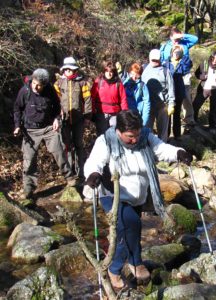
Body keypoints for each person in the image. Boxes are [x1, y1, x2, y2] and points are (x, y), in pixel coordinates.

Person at [84, 109, 193, 289]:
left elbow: (161, 149)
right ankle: (115, 268)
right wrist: (93, 174)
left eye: (137, 135)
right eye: (129, 137)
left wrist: (178, 153)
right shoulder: (106, 140)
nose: (134, 140)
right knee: (130, 226)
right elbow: (94, 161)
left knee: (131, 228)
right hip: (113, 195)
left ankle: (135, 262)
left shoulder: (145, 137)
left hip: (137, 195)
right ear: (118, 131)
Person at [13, 68, 74, 200]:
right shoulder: (25, 91)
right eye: (34, 83)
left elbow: (57, 107)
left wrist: (56, 119)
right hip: (30, 130)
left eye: (39, 85)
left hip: (48, 128)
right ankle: (28, 189)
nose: (36, 87)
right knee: (29, 160)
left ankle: (69, 177)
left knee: (59, 151)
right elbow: (17, 109)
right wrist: (17, 126)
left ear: (45, 84)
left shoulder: (49, 90)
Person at [54, 57, 92, 182]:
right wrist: (56, 115)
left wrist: (87, 117)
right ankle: (69, 173)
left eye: (71, 69)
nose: (69, 71)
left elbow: (87, 100)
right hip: (64, 120)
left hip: (79, 119)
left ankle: (81, 171)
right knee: (66, 145)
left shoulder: (82, 83)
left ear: (75, 70)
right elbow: (54, 100)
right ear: (63, 69)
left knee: (79, 145)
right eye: (66, 69)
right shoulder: (58, 83)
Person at [160, 26, 198, 129]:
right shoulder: (165, 46)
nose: (177, 41)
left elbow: (195, 39)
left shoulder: (185, 43)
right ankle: (169, 121)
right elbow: (161, 58)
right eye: (175, 38)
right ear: (171, 37)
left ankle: (189, 119)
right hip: (169, 74)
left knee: (185, 95)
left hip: (184, 74)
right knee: (169, 97)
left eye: (178, 38)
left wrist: (182, 35)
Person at [141, 49, 175, 142]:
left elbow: (171, 88)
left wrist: (171, 103)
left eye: (157, 60)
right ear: (149, 58)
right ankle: (149, 149)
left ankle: (162, 149)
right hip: (147, 105)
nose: (155, 62)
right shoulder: (143, 69)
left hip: (162, 105)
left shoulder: (165, 71)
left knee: (163, 130)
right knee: (147, 129)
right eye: (153, 60)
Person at [193, 50, 216, 132]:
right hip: (204, 88)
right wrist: (203, 77)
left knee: (213, 109)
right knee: (195, 105)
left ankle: (212, 127)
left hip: (215, 90)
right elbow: (197, 74)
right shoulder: (204, 64)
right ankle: (194, 123)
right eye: (215, 58)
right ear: (211, 57)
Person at [163, 45, 193, 139]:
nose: (176, 54)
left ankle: (177, 135)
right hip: (168, 91)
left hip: (179, 90)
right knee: (167, 115)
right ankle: (166, 136)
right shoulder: (166, 62)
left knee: (176, 114)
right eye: (175, 52)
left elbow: (186, 69)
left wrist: (183, 58)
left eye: (179, 52)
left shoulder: (183, 62)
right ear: (171, 52)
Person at [91, 60, 128, 136]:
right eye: (107, 71)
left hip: (115, 113)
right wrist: (92, 112)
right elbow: (92, 97)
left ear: (114, 72)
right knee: (102, 135)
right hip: (101, 113)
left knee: (114, 135)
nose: (109, 73)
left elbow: (123, 99)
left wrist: (124, 114)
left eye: (111, 71)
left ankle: (113, 148)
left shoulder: (118, 83)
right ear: (104, 71)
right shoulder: (98, 82)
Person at [123, 63, 151, 127]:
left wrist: (144, 121)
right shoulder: (124, 84)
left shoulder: (143, 86)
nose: (134, 77)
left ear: (140, 75)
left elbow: (147, 104)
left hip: (137, 116)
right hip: (126, 115)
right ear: (129, 72)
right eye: (132, 74)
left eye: (137, 75)